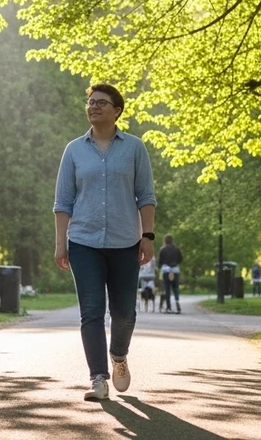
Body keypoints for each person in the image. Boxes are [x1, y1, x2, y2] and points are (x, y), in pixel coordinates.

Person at [54, 83, 157, 401]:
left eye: (101, 102)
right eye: (90, 102)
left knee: (125, 313)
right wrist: (61, 243)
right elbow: (63, 201)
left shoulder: (134, 147)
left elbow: (146, 195)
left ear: (117, 110)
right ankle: (98, 378)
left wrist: (147, 236)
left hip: (126, 241)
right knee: (92, 311)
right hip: (84, 241)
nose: (93, 106)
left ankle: (119, 357)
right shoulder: (74, 150)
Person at [158, 234, 183, 313]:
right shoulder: (177, 249)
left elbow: (160, 261)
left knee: (167, 289)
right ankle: (177, 303)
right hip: (175, 270)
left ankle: (168, 307)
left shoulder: (163, 249)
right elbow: (180, 259)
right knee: (175, 288)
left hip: (166, 270)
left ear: (165, 241)